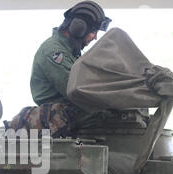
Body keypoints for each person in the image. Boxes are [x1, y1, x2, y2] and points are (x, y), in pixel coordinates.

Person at [29, 1, 112, 131]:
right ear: (79, 28)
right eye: (94, 32)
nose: (95, 37)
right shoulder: (54, 51)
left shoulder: (71, 51)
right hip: (61, 117)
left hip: (74, 114)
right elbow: (76, 91)